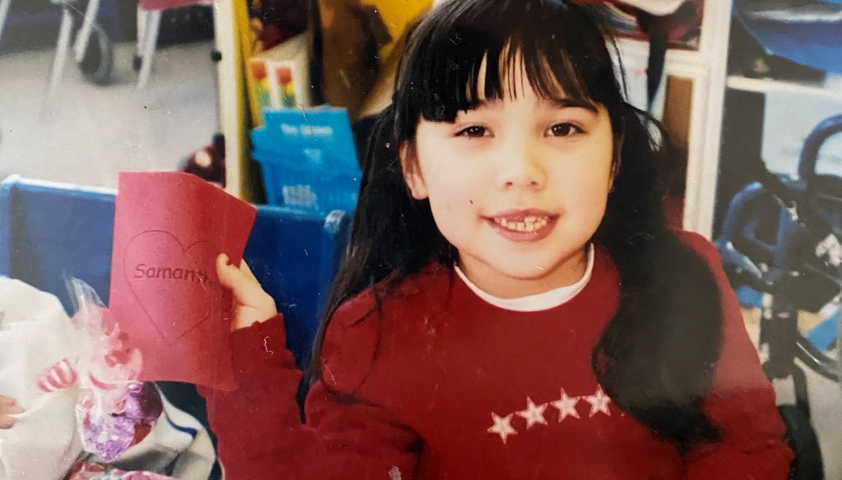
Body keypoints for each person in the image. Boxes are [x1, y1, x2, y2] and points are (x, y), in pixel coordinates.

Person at [207, 0, 794, 478]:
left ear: (614, 156)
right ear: (412, 168)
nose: (521, 170)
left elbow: (746, 448)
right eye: (474, 129)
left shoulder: (685, 274)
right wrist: (245, 365)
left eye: (562, 127)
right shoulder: (375, 337)